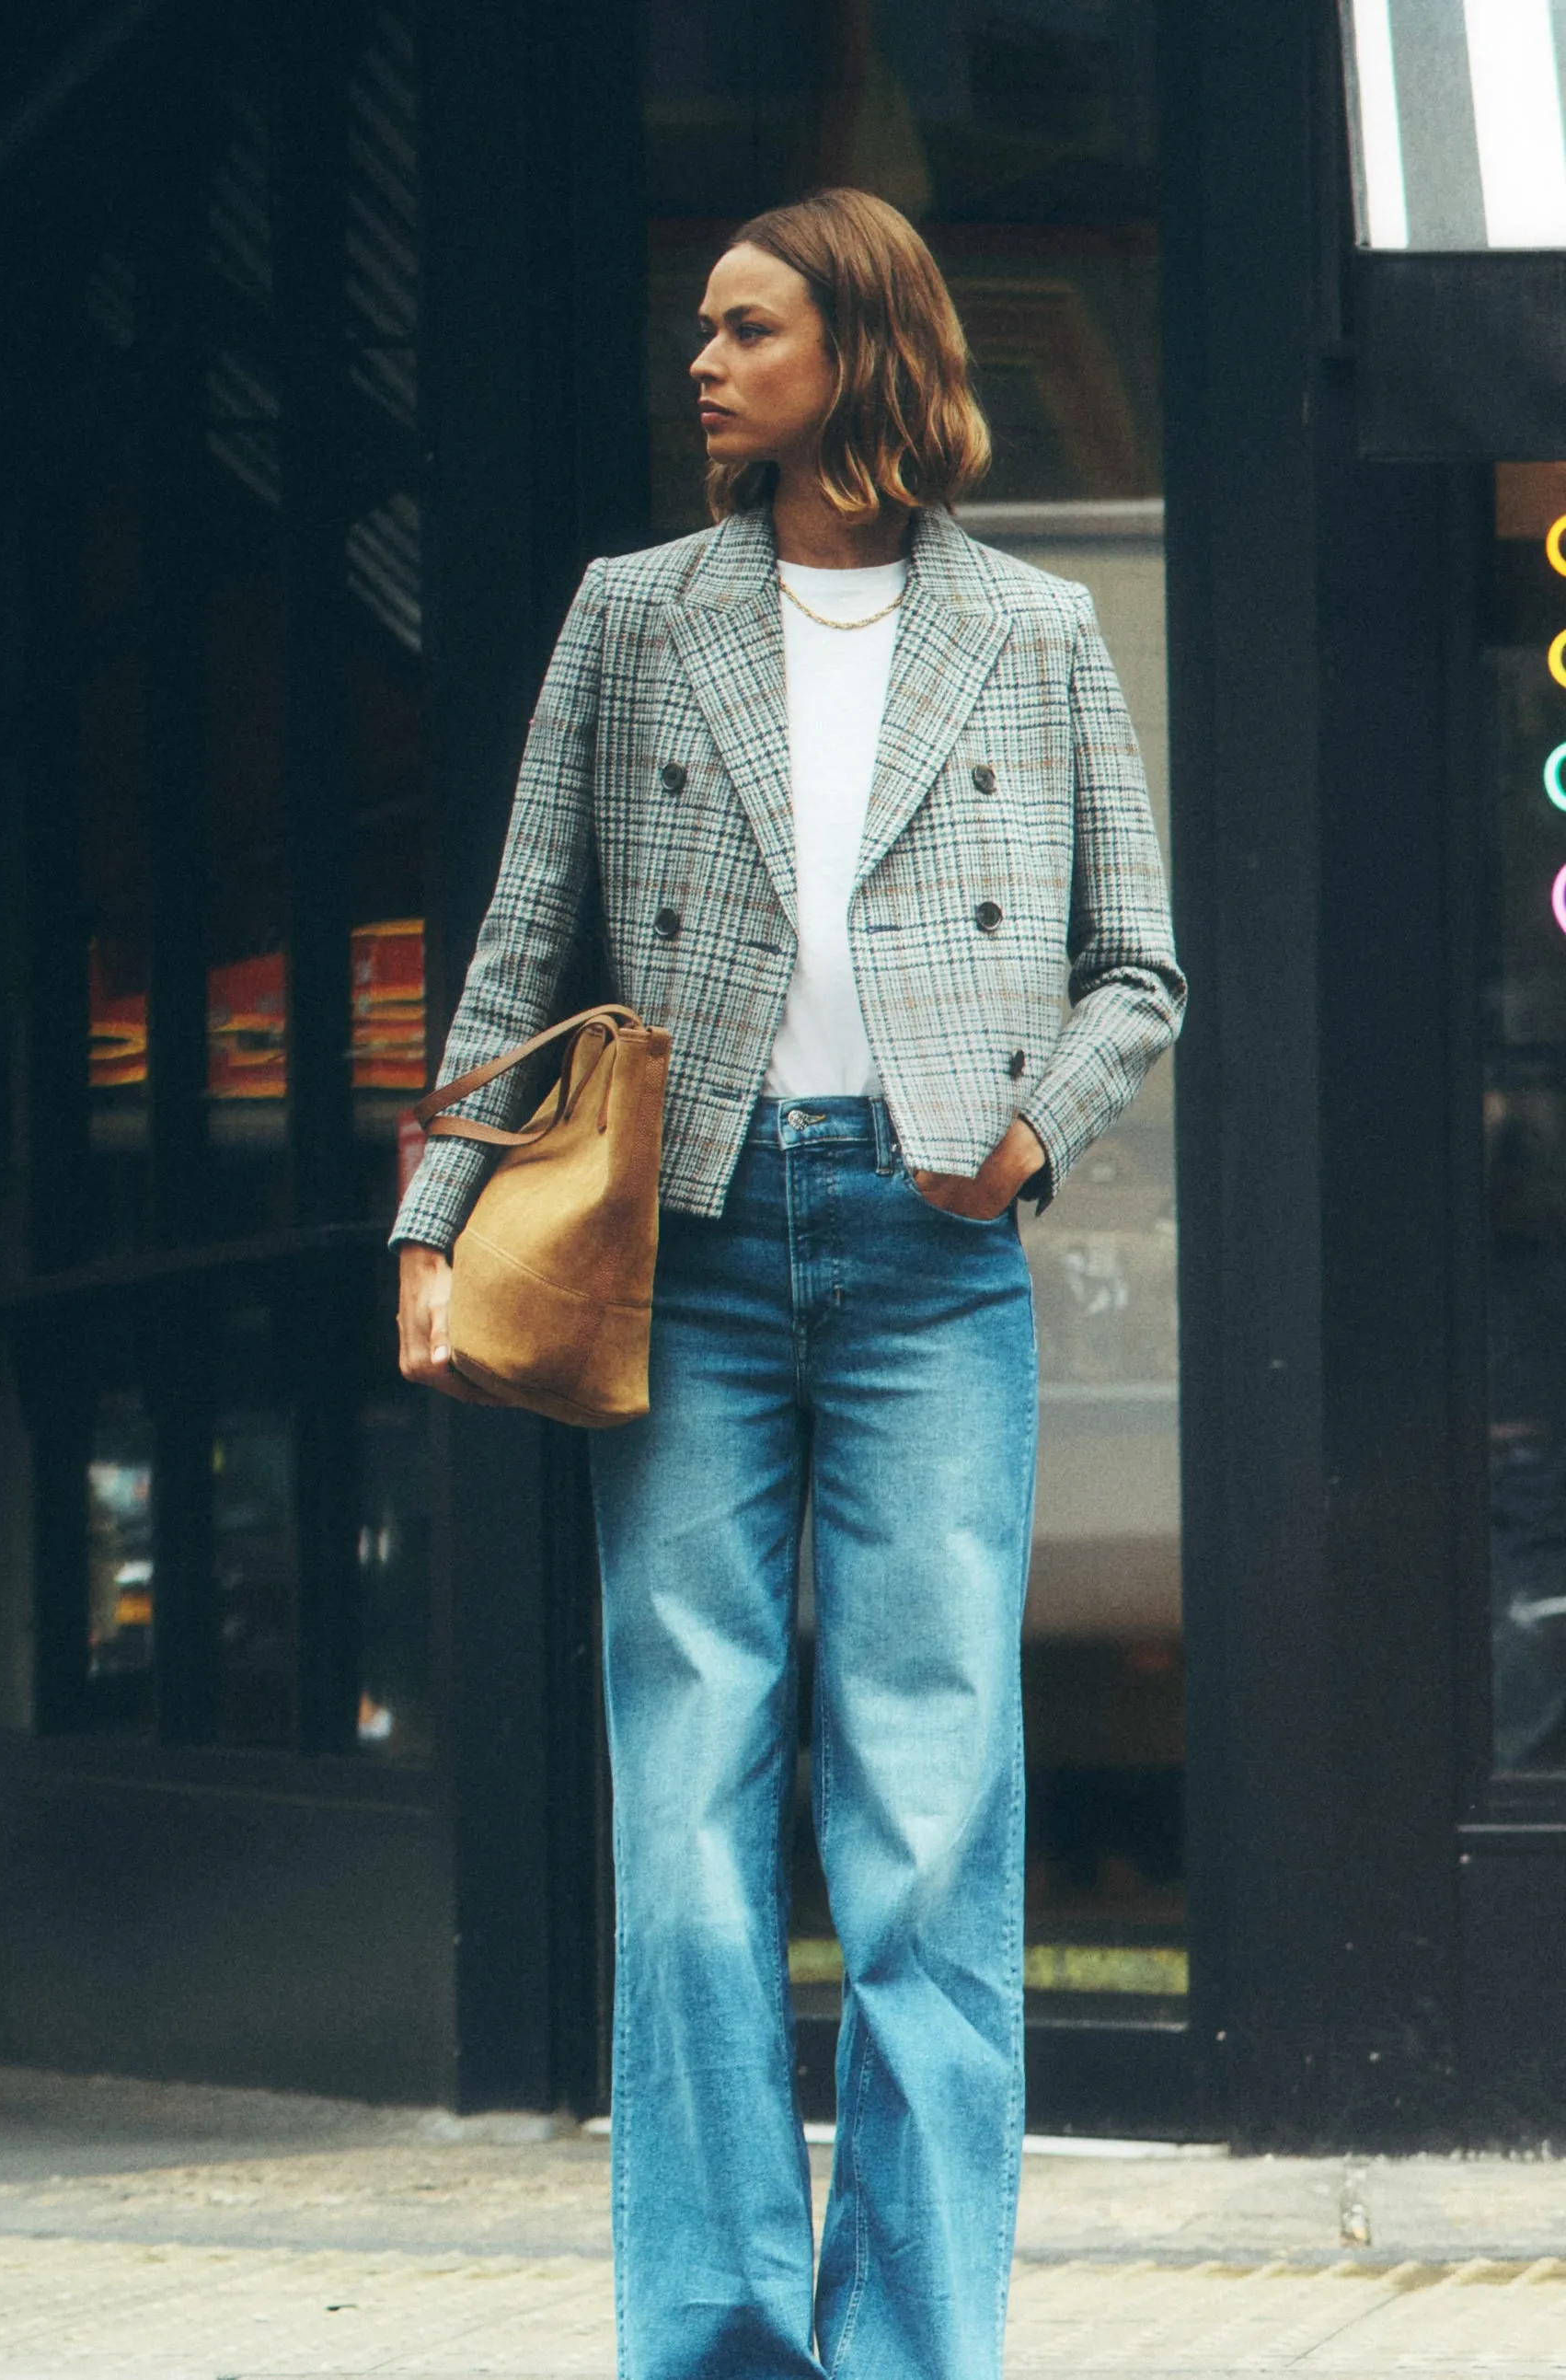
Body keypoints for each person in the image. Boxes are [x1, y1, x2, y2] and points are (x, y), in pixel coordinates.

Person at [391, 187, 1184, 2380]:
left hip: (937, 1259)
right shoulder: (633, 616)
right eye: (704, 333)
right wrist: (431, 1222)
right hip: (696, 1253)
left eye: (747, 330)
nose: (703, 363)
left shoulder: (1025, 631)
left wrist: (1024, 1135)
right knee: (687, 1821)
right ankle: (720, 2341)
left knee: (929, 1831)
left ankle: (913, 2350)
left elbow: (1140, 961)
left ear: (856, 350)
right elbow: (522, 944)